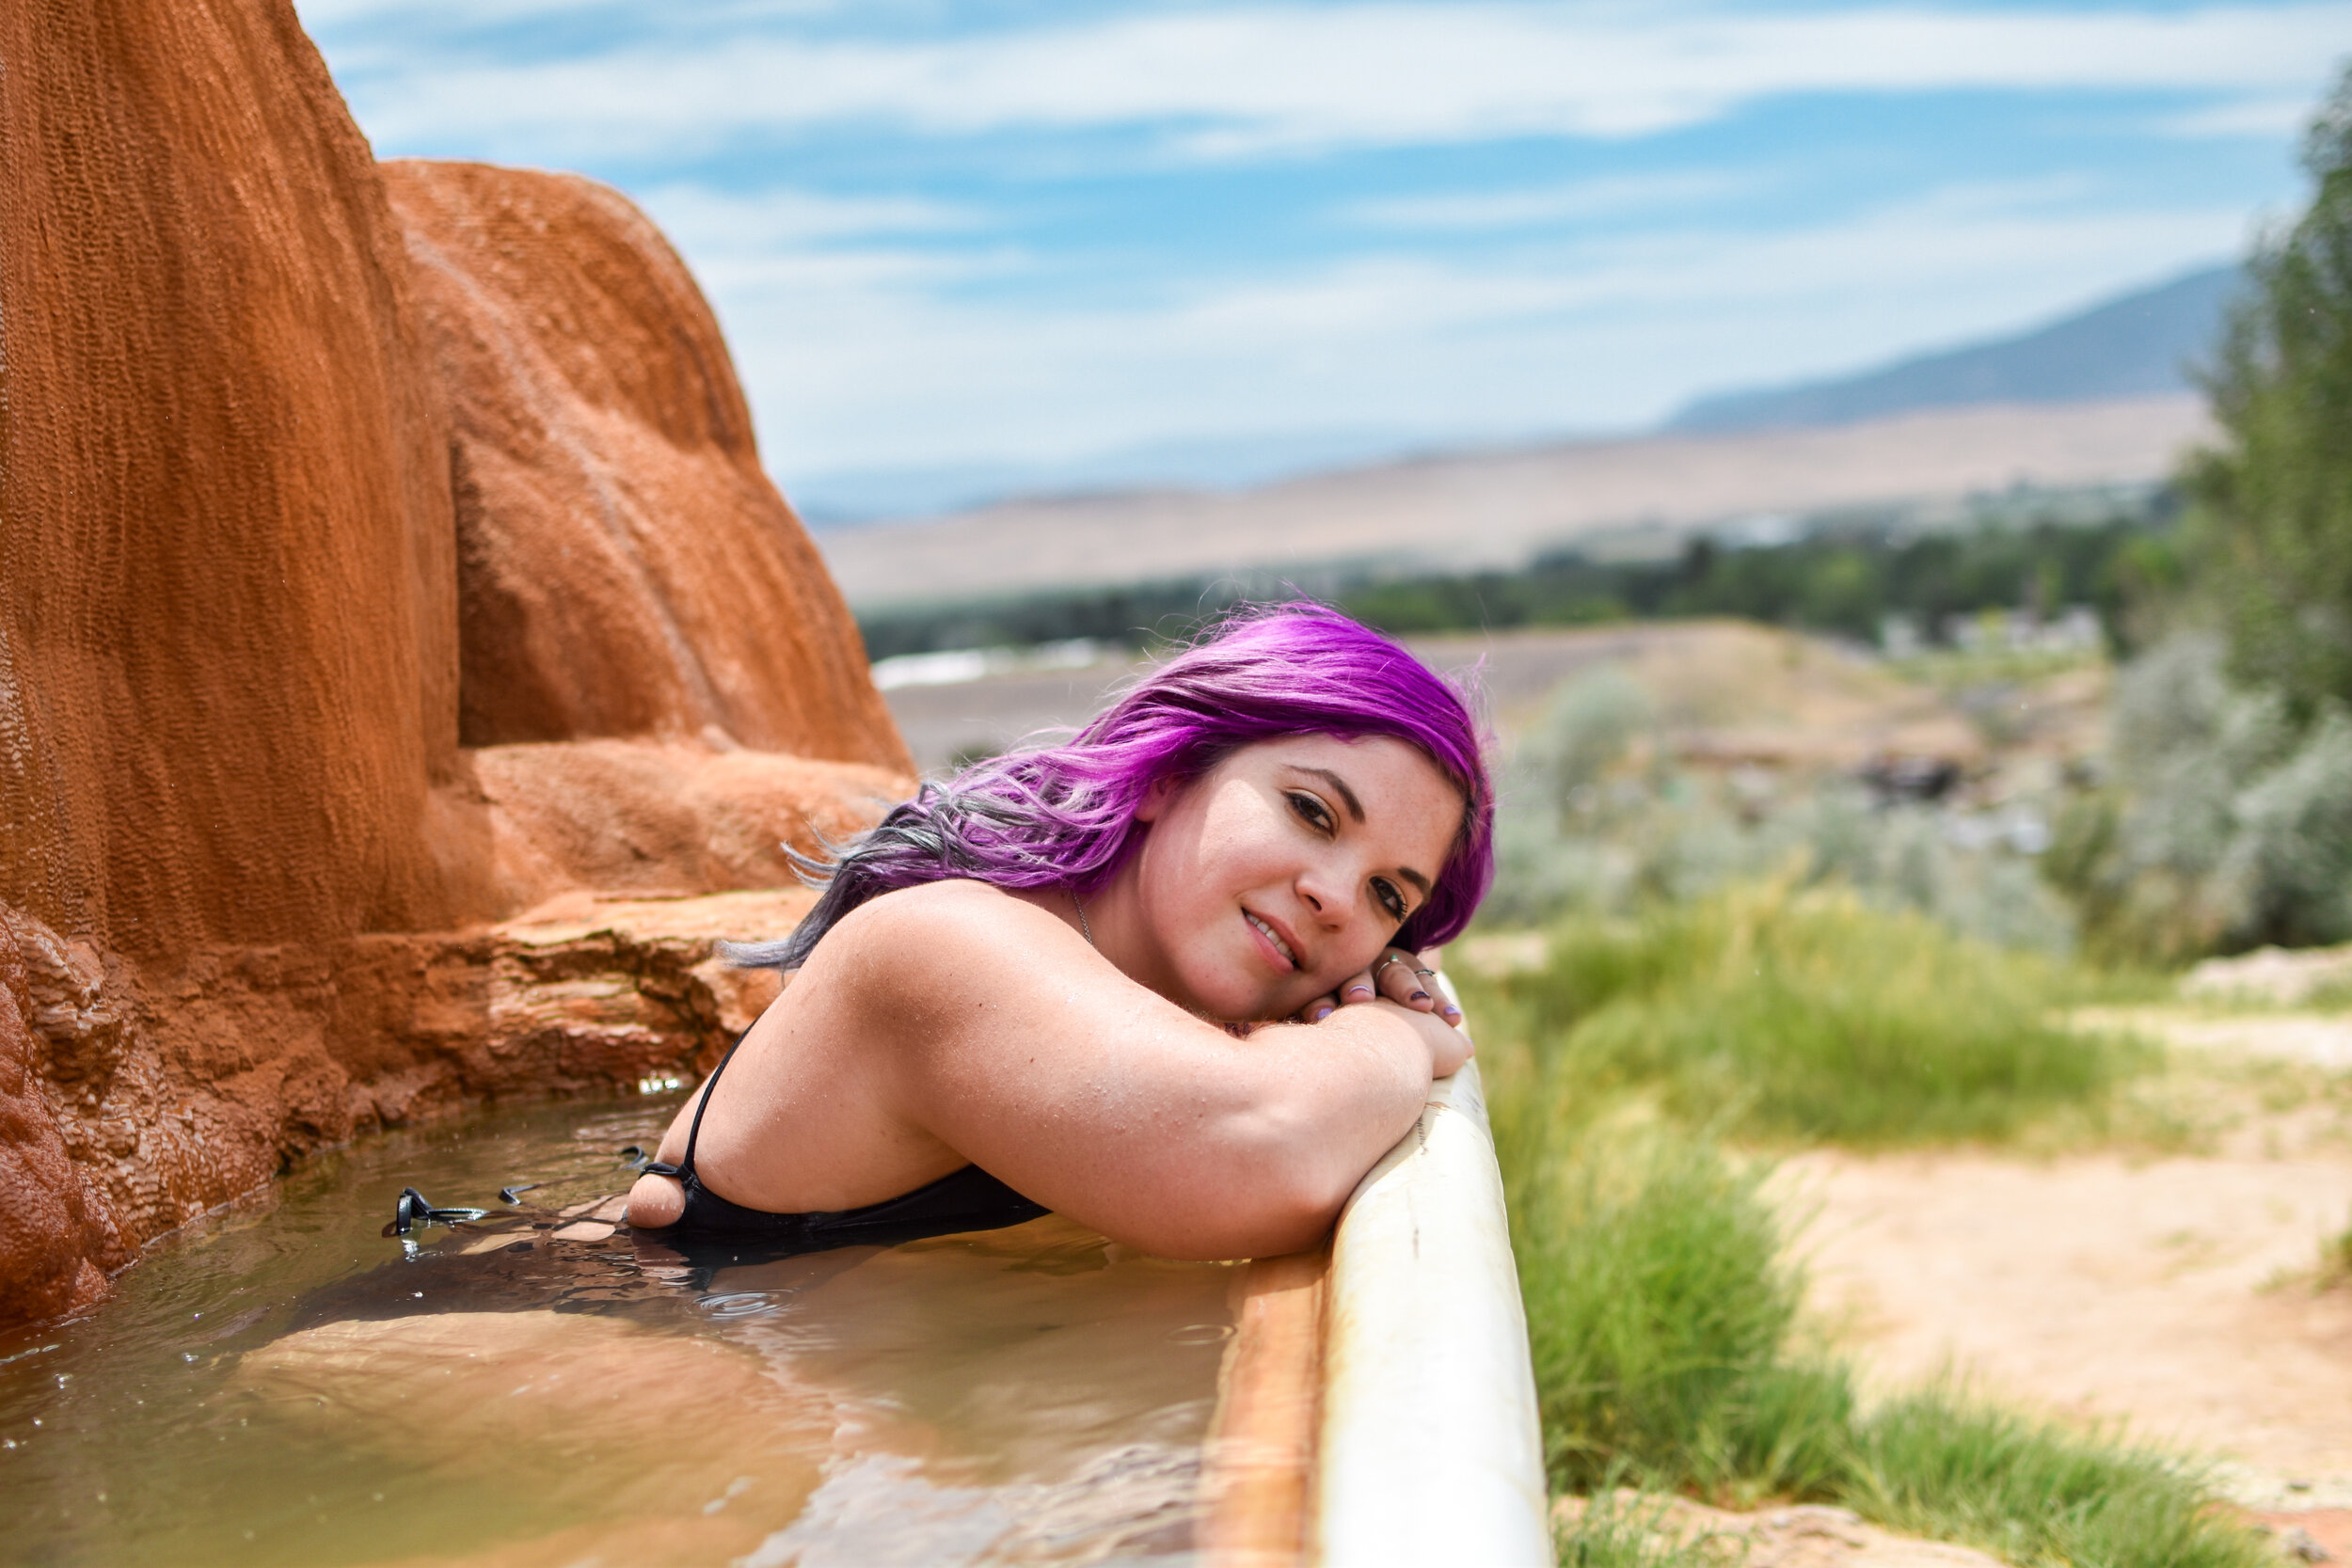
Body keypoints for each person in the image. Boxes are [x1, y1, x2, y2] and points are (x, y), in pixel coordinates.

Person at [624, 605, 1494, 1261]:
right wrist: (1391, 1030)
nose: (1338, 899)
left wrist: (1376, 979)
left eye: (1388, 893)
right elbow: (1265, 1147)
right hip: (595, 1362)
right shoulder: (945, 944)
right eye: (1310, 810)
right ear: (1168, 773)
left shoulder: (1126, 985)